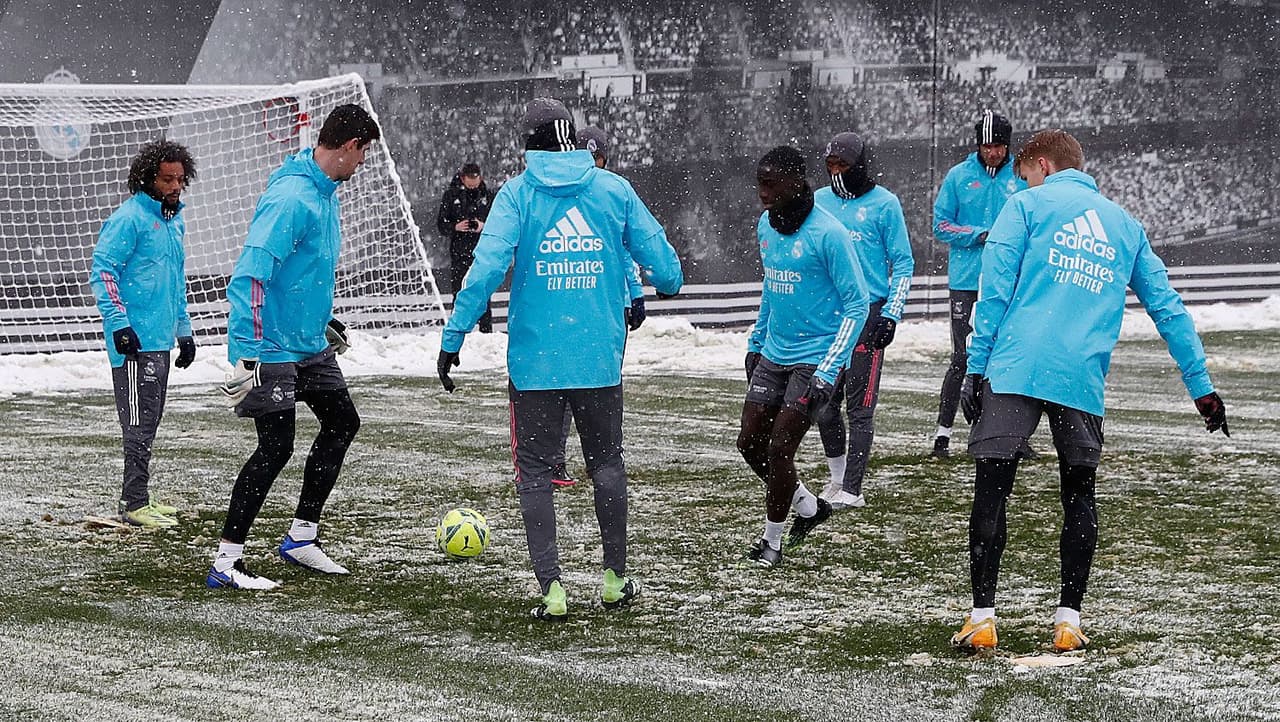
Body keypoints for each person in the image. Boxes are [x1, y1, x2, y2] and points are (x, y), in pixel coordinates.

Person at [950, 129, 1230, 653]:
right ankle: (1068, 622)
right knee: (1079, 494)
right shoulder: (1125, 226)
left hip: (1016, 368)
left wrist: (974, 365)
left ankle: (983, 618)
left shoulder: (1026, 206)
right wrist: (1201, 386)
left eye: (1025, 173)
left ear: (1043, 166)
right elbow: (1168, 308)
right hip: (1080, 375)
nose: (1024, 182)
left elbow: (994, 292)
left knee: (992, 490)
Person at [436, 98, 683, 620]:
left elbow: (484, 271)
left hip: (535, 363)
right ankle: (614, 578)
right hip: (597, 359)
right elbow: (665, 267)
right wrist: (660, 280)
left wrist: (454, 334)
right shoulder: (612, 190)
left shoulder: (516, 196)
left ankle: (552, 590)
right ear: (572, 138)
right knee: (607, 465)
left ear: (529, 145)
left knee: (534, 474)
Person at [206, 104, 381, 591]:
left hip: (308, 343)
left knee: (343, 422)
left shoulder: (326, 195)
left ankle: (301, 539)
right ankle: (226, 562)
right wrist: (252, 348)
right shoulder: (292, 198)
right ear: (348, 147)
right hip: (271, 347)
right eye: (363, 152)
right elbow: (250, 275)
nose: (363, 162)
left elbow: (299, 273)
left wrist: (320, 320)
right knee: (275, 446)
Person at [738, 145, 868, 568]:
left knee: (779, 448)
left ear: (796, 182)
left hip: (817, 358)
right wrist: (756, 343)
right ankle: (810, 508)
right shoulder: (765, 225)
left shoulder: (829, 234)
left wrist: (831, 368)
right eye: (759, 183)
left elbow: (857, 304)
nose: (762, 192)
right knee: (748, 444)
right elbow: (771, 289)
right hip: (774, 353)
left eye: (770, 183)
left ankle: (771, 544)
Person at [88, 139, 198, 528]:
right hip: (133, 343)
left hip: (160, 341)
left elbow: (176, 282)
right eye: (167, 179)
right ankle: (133, 502)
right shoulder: (129, 218)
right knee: (136, 424)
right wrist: (119, 325)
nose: (174, 187)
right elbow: (103, 272)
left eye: (180, 180)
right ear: (148, 178)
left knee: (149, 421)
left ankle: (140, 497)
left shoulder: (174, 222)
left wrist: (183, 331)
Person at [542, 126, 649, 489]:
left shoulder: (613, 196)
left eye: (597, 158)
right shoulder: (564, 197)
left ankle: (603, 458)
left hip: (609, 310)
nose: (593, 165)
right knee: (565, 386)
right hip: (575, 304)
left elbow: (626, 250)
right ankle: (555, 459)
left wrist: (635, 293)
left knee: (605, 386)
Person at [812, 132, 913, 509]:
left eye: (843, 166)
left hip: (868, 313)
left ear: (860, 166)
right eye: (830, 166)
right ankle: (836, 480)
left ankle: (853, 489)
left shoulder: (885, 205)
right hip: (828, 315)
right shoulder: (819, 202)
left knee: (860, 406)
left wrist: (891, 314)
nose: (836, 173)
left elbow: (903, 263)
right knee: (822, 403)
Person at [930, 111, 1025, 458]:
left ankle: (1010, 436)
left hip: (1009, 279)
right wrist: (978, 235)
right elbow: (940, 226)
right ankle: (943, 434)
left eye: (999, 146)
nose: (993, 153)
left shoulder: (1021, 176)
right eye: (987, 146)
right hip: (967, 281)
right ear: (978, 145)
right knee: (962, 358)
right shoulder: (958, 177)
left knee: (1006, 356)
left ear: (1008, 145)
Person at [437, 161, 495, 333]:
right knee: (459, 294)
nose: (472, 185)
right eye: (469, 181)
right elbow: (441, 224)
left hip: (482, 252)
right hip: (459, 252)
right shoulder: (450, 195)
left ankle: (486, 332)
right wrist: (455, 226)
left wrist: (482, 226)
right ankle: (458, 332)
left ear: (480, 178)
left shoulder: (488, 195)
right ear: (462, 178)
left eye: (475, 180)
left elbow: (498, 222)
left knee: (483, 293)